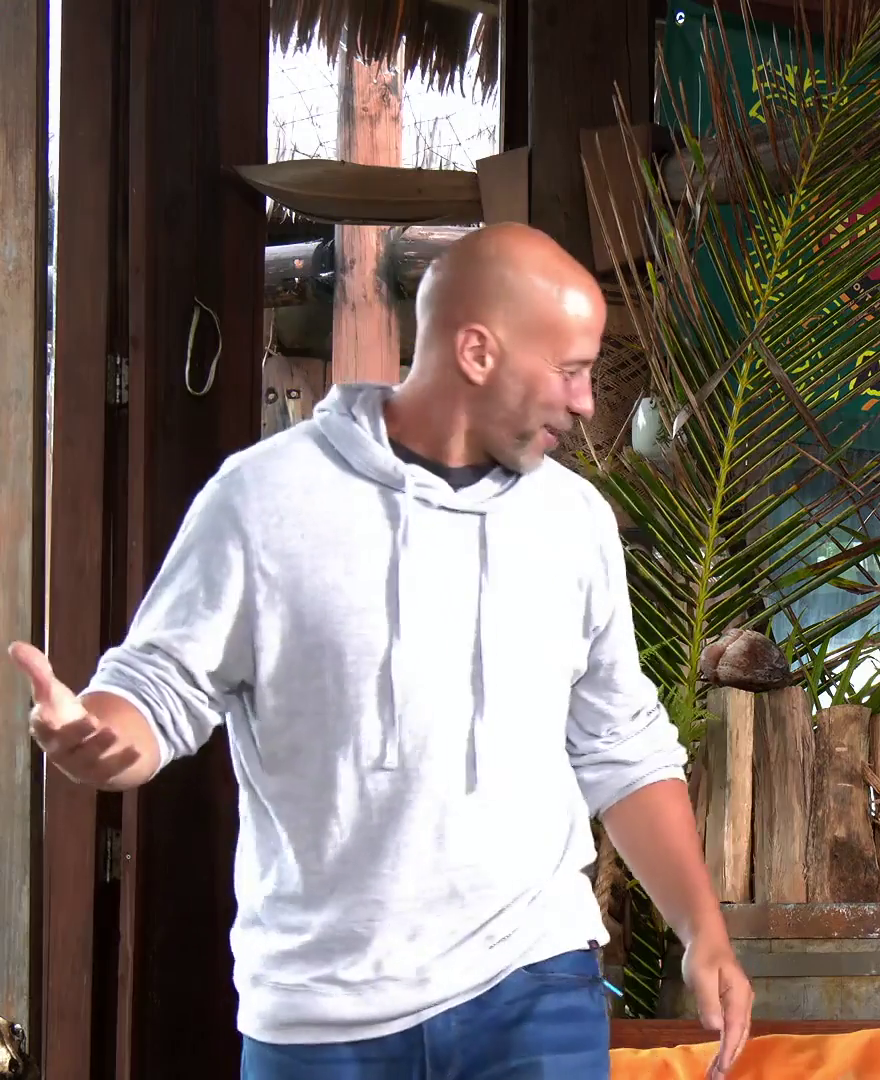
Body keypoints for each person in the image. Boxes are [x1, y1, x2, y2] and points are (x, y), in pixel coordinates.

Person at [13, 223, 752, 1079]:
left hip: (535, 986)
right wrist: (104, 735)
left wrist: (704, 931)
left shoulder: (575, 521)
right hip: (319, 1013)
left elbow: (621, 746)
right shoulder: (262, 499)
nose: (587, 401)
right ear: (477, 351)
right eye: (570, 370)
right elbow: (158, 687)